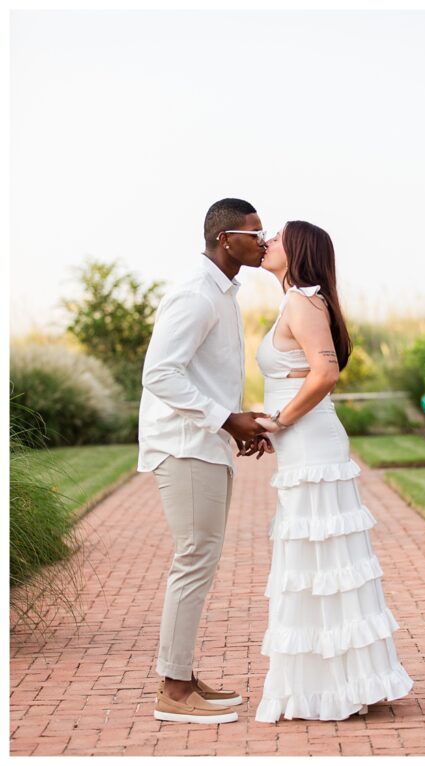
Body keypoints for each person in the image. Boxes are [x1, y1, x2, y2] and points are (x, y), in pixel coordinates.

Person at [252, 221, 413, 722]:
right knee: (316, 565)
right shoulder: (297, 301)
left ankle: (341, 685)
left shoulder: (302, 302)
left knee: (324, 564)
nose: (266, 244)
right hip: (302, 442)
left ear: (295, 250)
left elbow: (325, 373)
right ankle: (334, 681)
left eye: (276, 238)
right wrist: (270, 424)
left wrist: (277, 421)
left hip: (311, 445)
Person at [140, 198, 270, 723]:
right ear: (225, 239)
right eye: (254, 233)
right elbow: (160, 374)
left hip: (204, 441)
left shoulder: (222, 293)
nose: (263, 241)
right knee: (193, 558)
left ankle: (184, 675)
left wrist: (234, 421)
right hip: (184, 444)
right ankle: (172, 691)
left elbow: (203, 374)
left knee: (201, 558)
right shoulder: (196, 294)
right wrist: (225, 419)